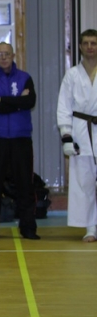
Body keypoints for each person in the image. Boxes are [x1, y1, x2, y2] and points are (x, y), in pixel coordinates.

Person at [0, 42, 39, 241]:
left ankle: (28, 228)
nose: (3, 57)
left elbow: (30, 102)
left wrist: (3, 100)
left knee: (25, 184)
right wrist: (17, 102)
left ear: (13, 55)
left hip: (21, 137)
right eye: (0, 54)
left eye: (7, 54)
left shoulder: (25, 78)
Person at [57, 29, 97, 242]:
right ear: (80, 47)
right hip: (81, 130)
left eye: (94, 43)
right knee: (84, 181)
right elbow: (64, 106)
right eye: (86, 43)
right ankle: (90, 227)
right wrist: (66, 136)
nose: (90, 47)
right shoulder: (72, 75)